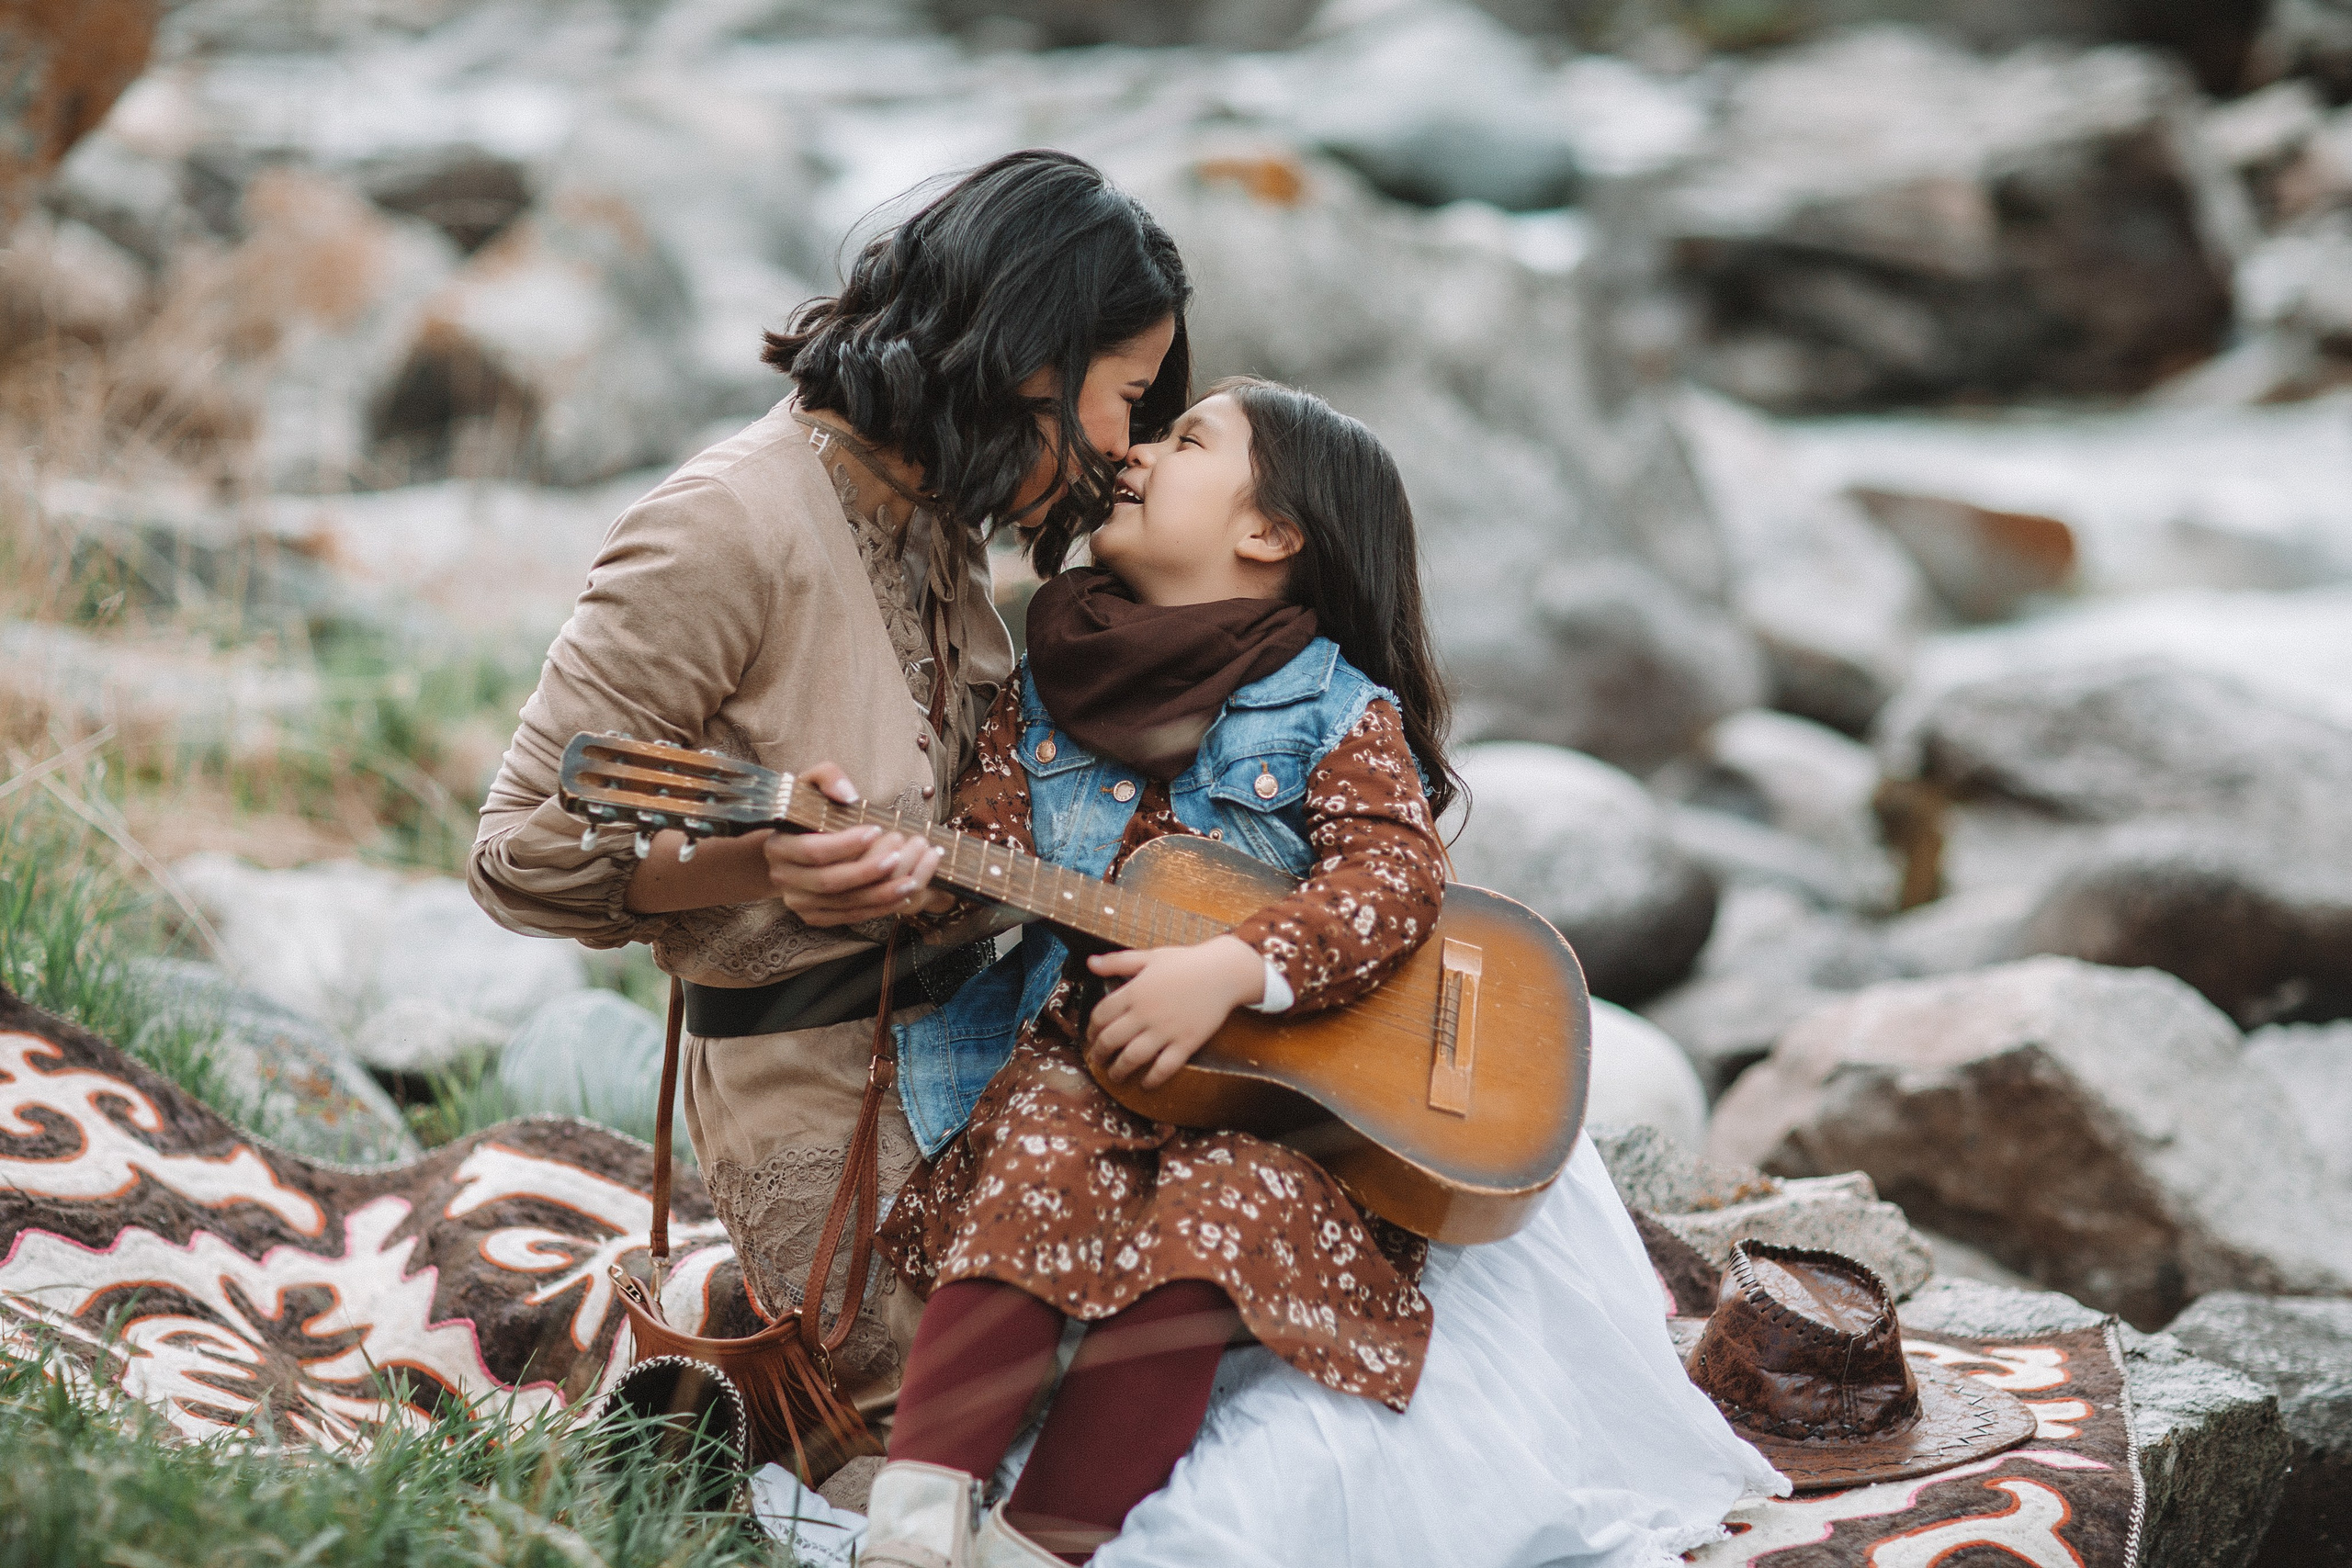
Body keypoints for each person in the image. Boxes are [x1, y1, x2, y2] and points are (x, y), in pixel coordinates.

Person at [465, 149, 1190, 1427]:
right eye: (1127, 396)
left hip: (985, 1048)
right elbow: (517, 852)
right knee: (1020, 1436)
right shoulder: (724, 526)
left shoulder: (937, 517)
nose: (1127, 444)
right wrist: (761, 862)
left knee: (1220, 1322)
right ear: (1032, 353)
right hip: (817, 1099)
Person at [853, 378, 1464, 1566]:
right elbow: (985, 859)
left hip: (1280, 1098)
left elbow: (1396, 879)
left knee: (1218, 1223)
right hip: (1089, 1053)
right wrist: (903, 874)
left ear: (1270, 533)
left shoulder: (1335, 709)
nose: (1131, 451)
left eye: (1185, 441)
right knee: (1039, 1157)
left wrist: (1237, 967)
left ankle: (1039, 1548)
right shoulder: (1050, 681)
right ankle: (914, 1523)